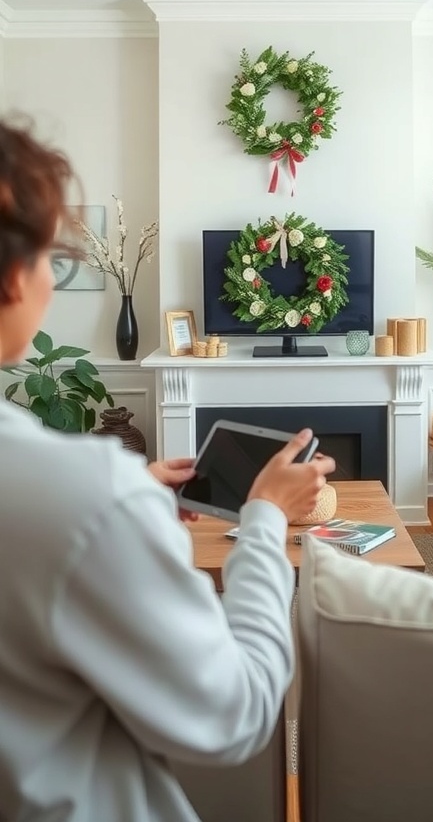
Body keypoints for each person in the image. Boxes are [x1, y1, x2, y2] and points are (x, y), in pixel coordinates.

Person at [0, 117, 336, 821]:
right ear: (13, 275)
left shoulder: (77, 496)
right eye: (50, 257)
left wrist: (122, 495)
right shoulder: (83, 498)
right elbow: (236, 716)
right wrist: (266, 517)